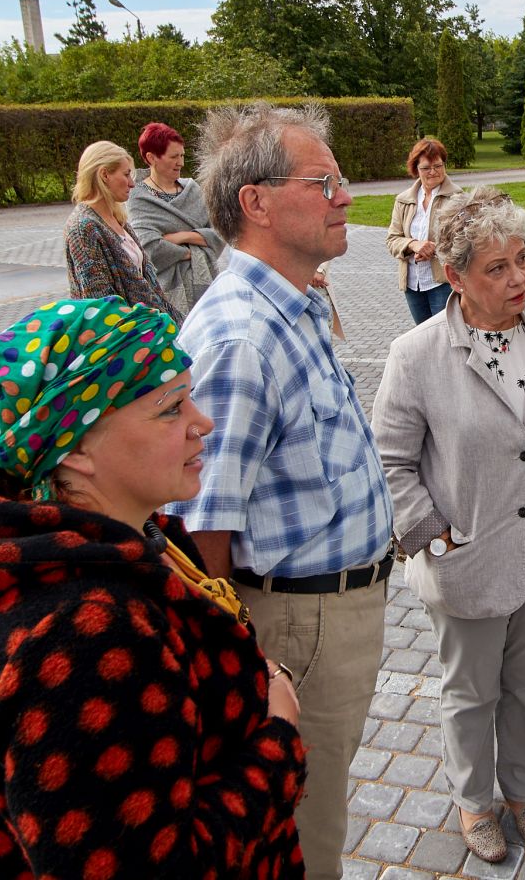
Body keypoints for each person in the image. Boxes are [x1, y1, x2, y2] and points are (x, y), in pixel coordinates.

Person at [0, 297, 307, 878]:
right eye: (170, 409)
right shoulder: (80, 635)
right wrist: (279, 743)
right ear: (78, 449)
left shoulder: (129, 534)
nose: (203, 421)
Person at [165, 102, 394, 880]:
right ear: (255, 202)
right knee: (300, 836)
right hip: (295, 628)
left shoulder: (287, 303)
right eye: (323, 182)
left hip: (324, 618)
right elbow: (201, 527)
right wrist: (248, 662)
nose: (347, 198)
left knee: (317, 811)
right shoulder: (240, 334)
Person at [372, 187, 525, 862]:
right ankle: (475, 801)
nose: (518, 279)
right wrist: (431, 535)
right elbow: (390, 460)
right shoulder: (415, 354)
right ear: (455, 277)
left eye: (523, 260)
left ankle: (522, 789)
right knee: (471, 691)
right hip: (468, 555)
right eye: (497, 268)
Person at [65, 140, 178, 320]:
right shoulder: (84, 228)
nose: (132, 184)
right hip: (128, 338)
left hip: (149, 327)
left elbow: (145, 281)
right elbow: (100, 305)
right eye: (126, 174)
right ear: (104, 175)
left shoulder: (117, 218)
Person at [128, 121, 228, 317]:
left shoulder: (193, 190)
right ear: (151, 158)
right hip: (163, 293)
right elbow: (150, 249)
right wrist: (199, 250)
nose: (181, 163)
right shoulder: (138, 198)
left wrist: (181, 237)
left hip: (208, 286)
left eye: (182, 155)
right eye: (174, 157)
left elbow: (219, 234)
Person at [386, 137, 463, 323]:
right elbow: (392, 240)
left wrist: (432, 250)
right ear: (416, 169)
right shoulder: (404, 200)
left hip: (443, 283)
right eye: (426, 168)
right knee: (423, 337)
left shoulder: (457, 198)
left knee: (444, 337)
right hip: (413, 284)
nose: (433, 172)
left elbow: (464, 241)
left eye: (438, 166)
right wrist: (413, 245)